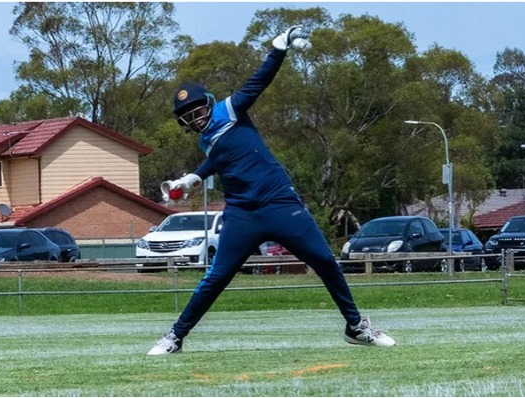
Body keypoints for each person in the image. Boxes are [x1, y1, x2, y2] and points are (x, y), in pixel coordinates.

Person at [148, 26, 396, 355]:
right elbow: (219, 158)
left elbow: (258, 82)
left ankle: (356, 328)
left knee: (325, 260)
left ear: (208, 104)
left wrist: (278, 50)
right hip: (242, 213)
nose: (196, 119)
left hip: (280, 202)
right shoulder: (205, 139)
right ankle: (175, 337)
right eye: (188, 117)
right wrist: (191, 179)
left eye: (198, 111)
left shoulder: (230, 109)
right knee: (216, 277)